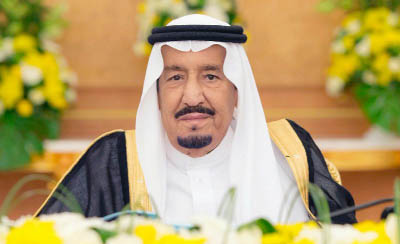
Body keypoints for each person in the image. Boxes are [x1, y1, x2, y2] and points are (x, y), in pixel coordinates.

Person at [36, 14, 356, 225]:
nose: (192, 97)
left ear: (236, 90)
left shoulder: (290, 155)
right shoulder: (110, 163)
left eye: (211, 76)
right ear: (156, 92)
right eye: (175, 77)